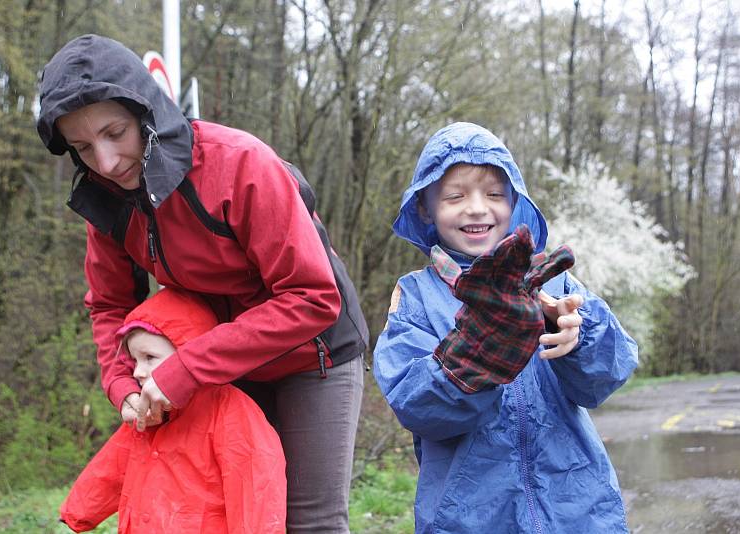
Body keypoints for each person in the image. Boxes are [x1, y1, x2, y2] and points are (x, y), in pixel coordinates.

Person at [37, 34, 368, 533]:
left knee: (308, 522)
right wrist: (121, 382)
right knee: (222, 512)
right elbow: (109, 306)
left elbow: (313, 297)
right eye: (83, 147)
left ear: (146, 113)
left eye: (115, 132)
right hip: (221, 367)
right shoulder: (105, 197)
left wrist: (188, 367)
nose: (105, 162)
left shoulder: (239, 164)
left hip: (313, 354)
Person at [373, 122, 639, 533]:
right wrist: (476, 354)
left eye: (495, 194)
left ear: (514, 201)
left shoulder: (551, 281)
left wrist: (578, 337)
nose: (477, 208)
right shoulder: (416, 297)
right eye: (455, 195)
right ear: (425, 208)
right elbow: (416, 405)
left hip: (577, 509)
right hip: (470, 517)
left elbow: (606, 377)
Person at [60, 288, 286, 533]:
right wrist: (78, 511)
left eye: (149, 357)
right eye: (134, 360)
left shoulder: (229, 409)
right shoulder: (148, 412)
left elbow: (254, 481)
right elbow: (112, 466)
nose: (137, 371)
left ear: (186, 352)